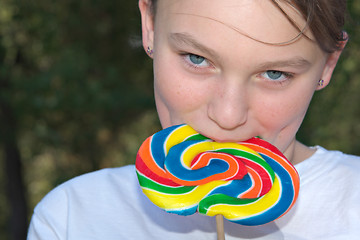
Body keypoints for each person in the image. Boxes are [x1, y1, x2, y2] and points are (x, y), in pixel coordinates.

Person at [28, 0, 360, 239]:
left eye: (275, 73)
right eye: (196, 58)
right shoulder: (72, 219)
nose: (228, 116)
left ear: (328, 64)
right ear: (150, 28)